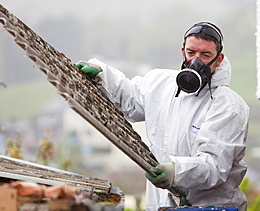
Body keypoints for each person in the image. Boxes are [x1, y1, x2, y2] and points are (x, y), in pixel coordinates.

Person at [76, 22, 249, 211]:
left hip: (210, 206)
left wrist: (176, 171)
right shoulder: (160, 84)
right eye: (191, 53)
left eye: (205, 55)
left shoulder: (228, 106)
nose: (196, 62)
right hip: (161, 204)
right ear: (183, 52)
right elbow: (129, 97)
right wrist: (101, 74)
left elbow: (215, 166)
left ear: (219, 59)